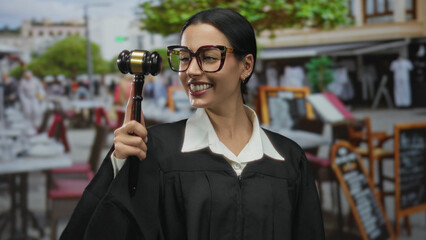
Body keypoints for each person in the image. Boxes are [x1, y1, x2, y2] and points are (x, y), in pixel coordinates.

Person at [61, 8, 324, 240]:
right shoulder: (154, 151)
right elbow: (97, 229)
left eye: (209, 57)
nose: (191, 70)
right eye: (185, 57)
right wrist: (120, 162)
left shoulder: (289, 160)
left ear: (246, 66)